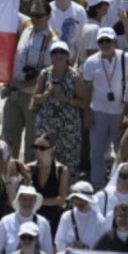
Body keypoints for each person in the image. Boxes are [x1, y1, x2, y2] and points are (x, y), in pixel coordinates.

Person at [81, 27, 128, 189]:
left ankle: (120, 182)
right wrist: (87, 114)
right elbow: (87, 90)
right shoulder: (91, 62)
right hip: (98, 111)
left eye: (108, 40)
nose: (105, 44)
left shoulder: (125, 57)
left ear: (115, 41)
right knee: (97, 151)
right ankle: (98, 184)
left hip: (121, 113)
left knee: (122, 150)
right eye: (101, 41)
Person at [31, 40, 83, 173]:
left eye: (62, 52)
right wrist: (48, 92)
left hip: (68, 127)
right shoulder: (44, 74)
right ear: (51, 56)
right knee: (44, 157)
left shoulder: (75, 76)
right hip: (47, 124)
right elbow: (36, 98)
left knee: (68, 161)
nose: (58, 55)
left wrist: (66, 99)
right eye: (55, 52)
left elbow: (84, 101)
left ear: (67, 55)